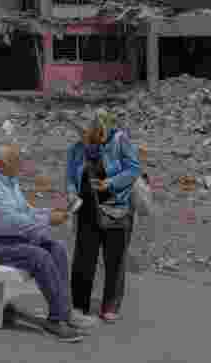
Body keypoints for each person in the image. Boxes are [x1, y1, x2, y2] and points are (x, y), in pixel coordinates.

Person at [0, 142, 95, 343]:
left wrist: (49, 214)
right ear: (1, 164)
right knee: (39, 256)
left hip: (9, 239)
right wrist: (47, 220)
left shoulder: (10, 181)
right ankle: (56, 319)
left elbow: (25, 212)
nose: (21, 164)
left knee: (57, 248)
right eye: (16, 161)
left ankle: (65, 312)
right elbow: (9, 222)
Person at [65, 110, 141, 323]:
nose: (84, 138)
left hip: (117, 206)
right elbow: (71, 178)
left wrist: (110, 183)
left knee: (115, 258)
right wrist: (71, 194)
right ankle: (79, 305)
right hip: (87, 207)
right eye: (81, 133)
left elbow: (134, 169)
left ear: (100, 130)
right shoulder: (76, 149)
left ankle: (110, 305)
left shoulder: (119, 141)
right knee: (83, 258)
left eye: (88, 133)